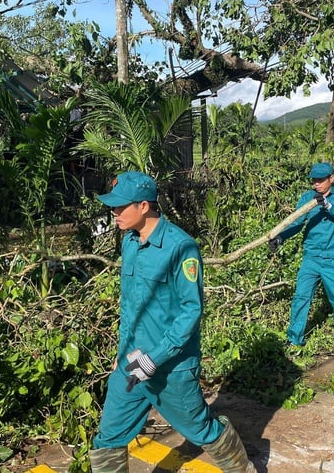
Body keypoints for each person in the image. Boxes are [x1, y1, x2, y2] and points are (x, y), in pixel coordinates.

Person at [90, 171, 255, 473]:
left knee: (201, 429)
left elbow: (191, 310)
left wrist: (156, 358)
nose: (113, 212)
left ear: (143, 206)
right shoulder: (129, 242)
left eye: (119, 206)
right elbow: (129, 307)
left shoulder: (181, 246)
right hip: (132, 361)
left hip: (172, 369)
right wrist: (121, 352)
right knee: (109, 437)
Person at [268, 162, 334, 353]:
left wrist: (328, 206)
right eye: (314, 180)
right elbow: (297, 222)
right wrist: (281, 237)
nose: (316, 184)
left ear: (331, 178)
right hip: (312, 258)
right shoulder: (307, 198)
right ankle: (294, 339)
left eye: (320, 180)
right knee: (301, 297)